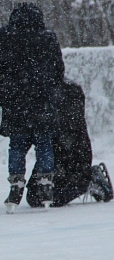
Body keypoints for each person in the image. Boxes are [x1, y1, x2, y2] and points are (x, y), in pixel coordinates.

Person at [0, 0, 66, 213]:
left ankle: (16, 183)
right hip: (42, 101)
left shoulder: (5, 35)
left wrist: (4, 97)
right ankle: (45, 184)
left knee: (17, 145)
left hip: (16, 103)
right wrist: (51, 93)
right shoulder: (48, 36)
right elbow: (58, 70)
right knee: (44, 143)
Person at [25, 78, 113, 207]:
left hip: (67, 152)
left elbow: (73, 132)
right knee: (36, 197)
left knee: (46, 198)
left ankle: (88, 180)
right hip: (57, 150)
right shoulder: (53, 90)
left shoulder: (60, 93)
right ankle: (84, 179)